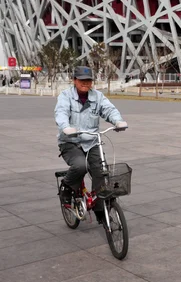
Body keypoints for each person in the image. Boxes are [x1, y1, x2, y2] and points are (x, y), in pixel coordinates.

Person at [54, 66, 128, 223]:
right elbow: (61, 113)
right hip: (70, 141)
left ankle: (100, 210)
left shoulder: (97, 96)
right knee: (81, 166)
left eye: (88, 80)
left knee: (102, 173)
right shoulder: (65, 96)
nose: (85, 83)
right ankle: (66, 187)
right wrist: (66, 127)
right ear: (74, 80)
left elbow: (109, 110)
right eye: (81, 80)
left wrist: (118, 121)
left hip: (92, 141)